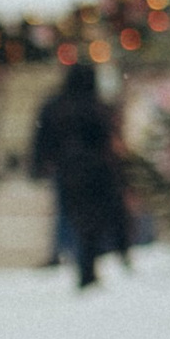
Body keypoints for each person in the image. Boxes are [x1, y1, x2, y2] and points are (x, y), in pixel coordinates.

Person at [28, 62, 130, 289]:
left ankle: (68, 254)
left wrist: (39, 164)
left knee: (69, 215)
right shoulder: (96, 106)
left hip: (67, 170)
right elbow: (107, 140)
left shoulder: (55, 105)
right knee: (91, 219)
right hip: (95, 170)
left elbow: (42, 138)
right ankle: (87, 262)